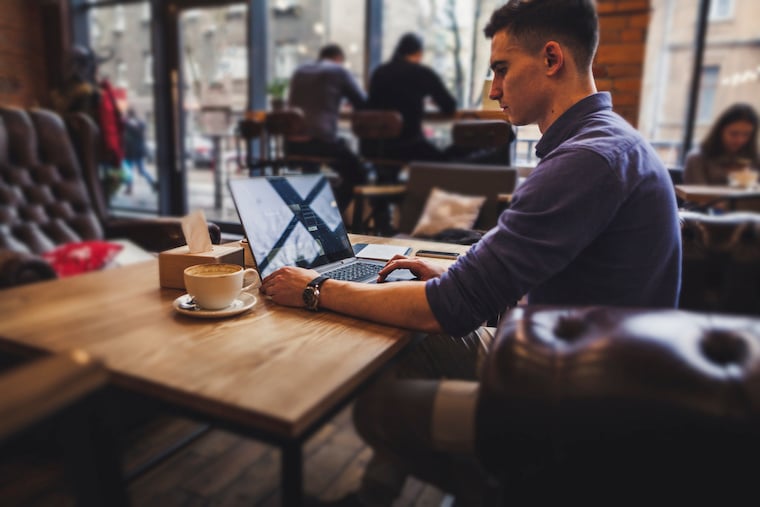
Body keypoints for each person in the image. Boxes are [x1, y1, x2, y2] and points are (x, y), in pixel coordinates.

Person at [260, 0, 682, 504]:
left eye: (501, 69)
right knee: (400, 345)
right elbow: (543, 269)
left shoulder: (585, 161)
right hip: (576, 362)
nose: (495, 89)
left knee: (376, 406)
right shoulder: (611, 142)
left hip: (572, 405)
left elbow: (448, 309)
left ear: (552, 59)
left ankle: (509, 493)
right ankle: (374, 496)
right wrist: (451, 267)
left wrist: (315, 287)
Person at [285, 44, 368, 214]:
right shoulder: (338, 71)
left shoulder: (301, 71)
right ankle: (331, 215)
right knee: (358, 173)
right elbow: (361, 101)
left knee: (312, 175)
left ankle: (312, 213)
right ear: (338, 59)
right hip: (320, 141)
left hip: (292, 144)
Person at [362, 33, 457, 168]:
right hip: (409, 146)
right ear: (418, 53)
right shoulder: (422, 73)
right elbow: (449, 105)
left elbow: (371, 106)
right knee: (446, 163)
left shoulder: (379, 72)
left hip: (377, 148)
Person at [683, 103, 759, 185]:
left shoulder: (755, 159)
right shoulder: (697, 159)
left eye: (746, 134)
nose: (740, 140)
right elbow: (696, 196)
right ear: (720, 131)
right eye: (734, 133)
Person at [122, 108, 157, 194]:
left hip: (131, 151)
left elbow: (127, 135)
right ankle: (152, 182)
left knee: (128, 169)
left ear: (129, 114)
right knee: (140, 170)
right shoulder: (140, 123)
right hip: (138, 150)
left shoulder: (128, 123)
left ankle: (129, 187)